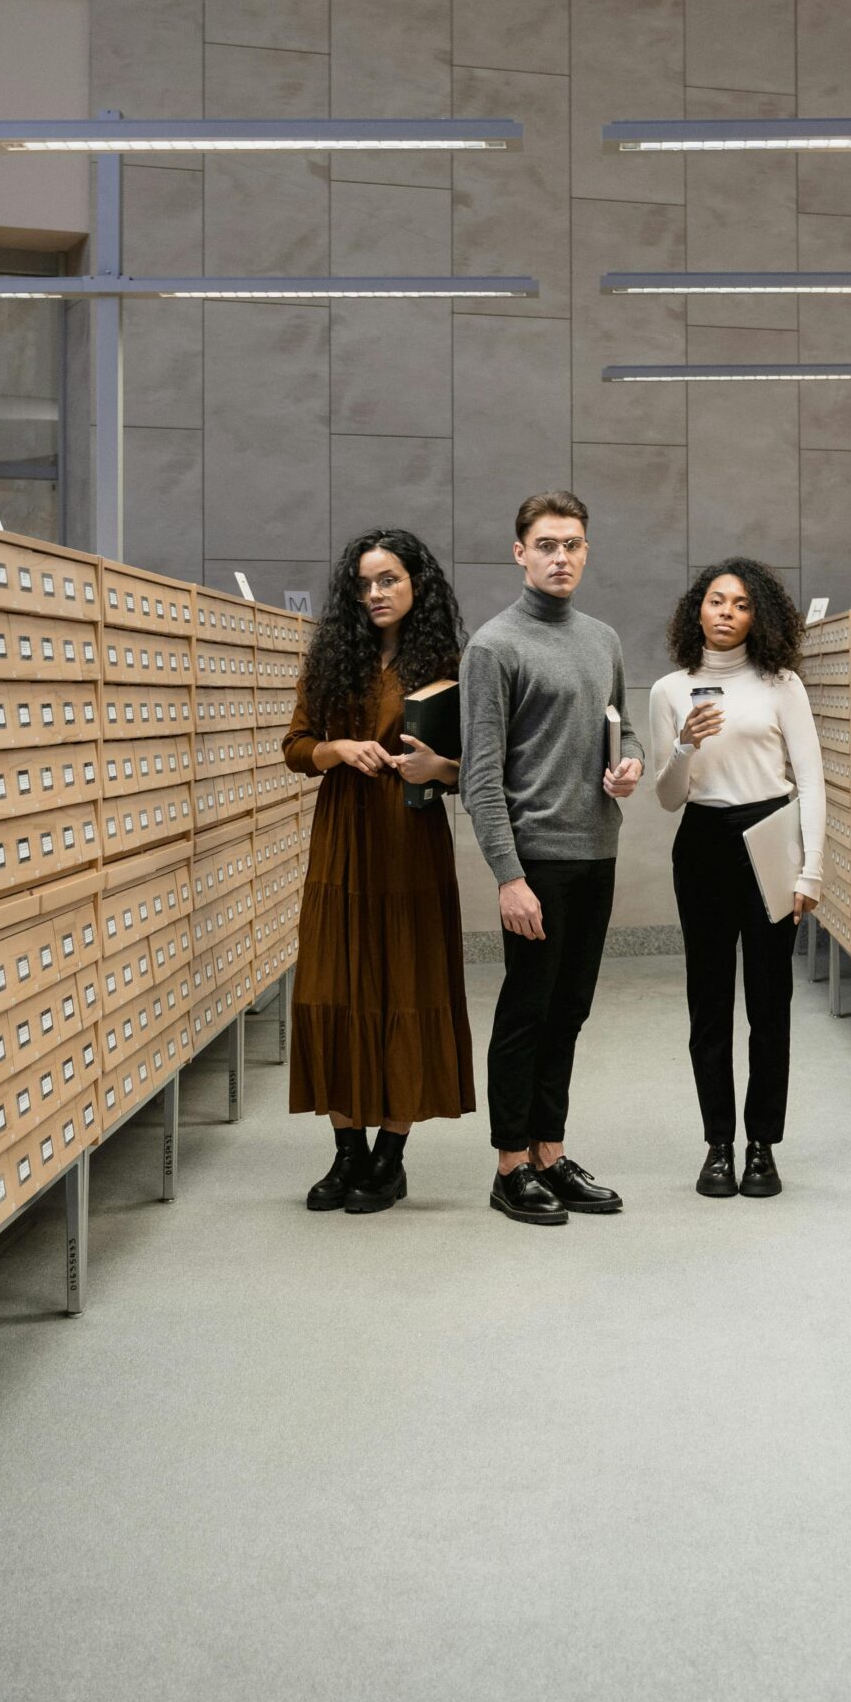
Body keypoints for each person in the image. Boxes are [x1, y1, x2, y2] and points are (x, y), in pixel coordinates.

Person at [460, 491, 644, 1227]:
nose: (560, 556)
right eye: (546, 544)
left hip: (595, 852)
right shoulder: (494, 646)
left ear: (586, 551)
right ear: (519, 552)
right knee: (526, 1014)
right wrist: (508, 877)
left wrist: (628, 764)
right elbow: (479, 778)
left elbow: (623, 728)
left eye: (572, 544)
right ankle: (509, 1167)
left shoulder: (601, 639)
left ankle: (548, 1152)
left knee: (568, 1012)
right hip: (534, 861)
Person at [282, 529, 475, 1212]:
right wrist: (336, 748)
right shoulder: (334, 660)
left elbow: (472, 767)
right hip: (342, 839)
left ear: (415, 583)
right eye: (365, 583)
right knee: (331, 985)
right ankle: (347, 1155)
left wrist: (438, 768)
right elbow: (295, 746)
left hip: (409, 840)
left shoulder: (448, 663)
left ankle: (389, 1159)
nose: (376, 594)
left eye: (388, 579)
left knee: (407, 982)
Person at [650, 559, 824, 1199]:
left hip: (771, 837)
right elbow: (668, 798)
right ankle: (718, 1145)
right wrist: (685, 747)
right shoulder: (670, 690)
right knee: (709, 1004)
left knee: (770, 1003)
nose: (726, 612)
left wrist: (813, 867)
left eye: (741, 604)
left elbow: (810, 781)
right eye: (716, 600)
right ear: (697, 608)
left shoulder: (782, 685)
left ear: (760, 616)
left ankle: (762, 1147)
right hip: (702, 842)